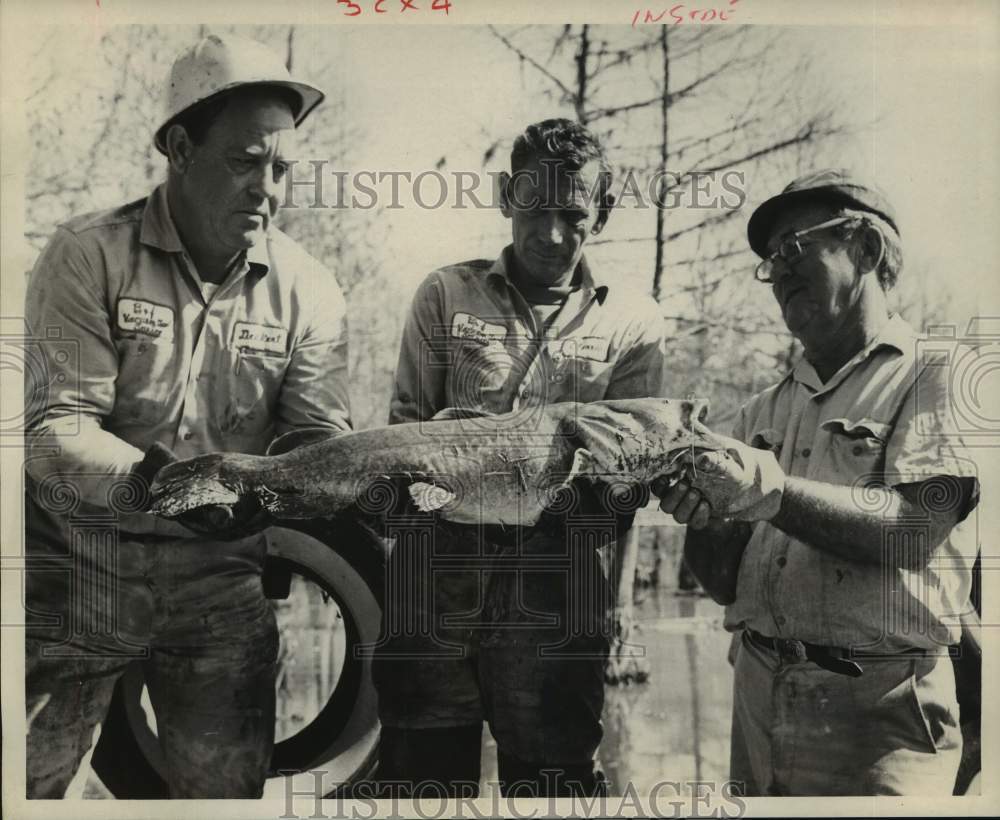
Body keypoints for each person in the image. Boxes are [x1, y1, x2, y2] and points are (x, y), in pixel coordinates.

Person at [23, 34, 351, 798]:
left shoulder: (310, 289)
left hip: (219, 587)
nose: (267, 188)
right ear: (178, 146)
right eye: (244, 161)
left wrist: (335, 481)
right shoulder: (86, 255)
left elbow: (316, 440)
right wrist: (156, 484)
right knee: (26, 784)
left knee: (225, 797)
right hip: (78, 569)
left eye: (282, 168)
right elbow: (53, 431)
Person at [654, 169, 980, 795]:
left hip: (880, 713)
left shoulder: (941, 376)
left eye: (793, 250)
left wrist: (766, 488)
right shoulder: (757, 411)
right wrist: (708, 515)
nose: (777, 272)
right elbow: (723, 583)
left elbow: (912, 531)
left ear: (867, 249)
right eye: (770, 262)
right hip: (758, 695)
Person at [372, 118, 667, 797]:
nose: (553, 232)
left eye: (574, 213)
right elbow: (404, 437)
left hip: (559, 605)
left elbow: (629, 491)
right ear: (507, 195)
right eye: (535, 209)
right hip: (433, 594)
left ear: (606, 211)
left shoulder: (634, 323)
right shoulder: (445, 294)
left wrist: (612, 471)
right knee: (421, 786)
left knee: (555, 786)